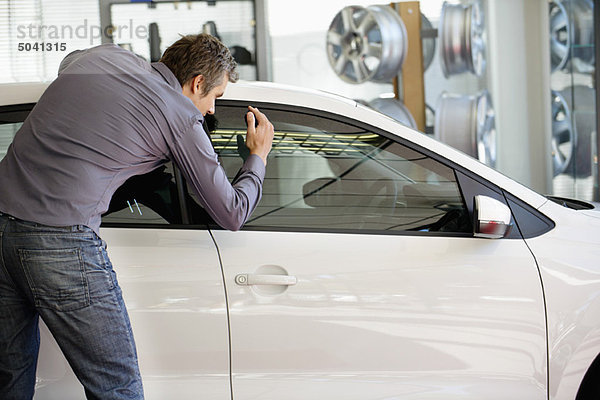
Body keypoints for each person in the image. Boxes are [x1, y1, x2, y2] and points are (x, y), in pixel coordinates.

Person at [0, 33, 274, 399]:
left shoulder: (100, 57)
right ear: (196, 84)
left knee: (9, 380)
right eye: (214, 96)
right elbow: (232, 212)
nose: (210, 110)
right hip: (60, 243)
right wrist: (257, 156)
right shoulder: (179, 117)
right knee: (116, 388)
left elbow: (69, 64)